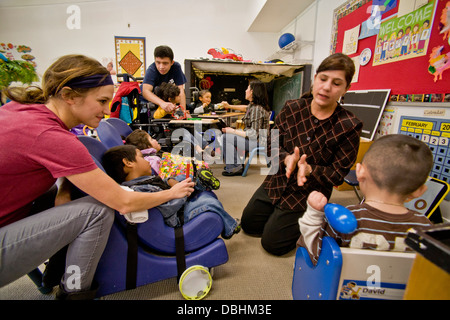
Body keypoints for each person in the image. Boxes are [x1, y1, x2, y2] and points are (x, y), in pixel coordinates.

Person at [0, 54, 194, 299]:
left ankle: (54, 273)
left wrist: (64, 190)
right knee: (97, 210)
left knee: (60, 195)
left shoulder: (24, 110)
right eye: (102, 101)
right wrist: (172, 192)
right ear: (69, 96)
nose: (107, 110)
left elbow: (43, 158)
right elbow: (122, 202)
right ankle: (75, 293)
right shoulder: (53, 136)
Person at [241, 53, 363, 256]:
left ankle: (315, 218)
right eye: (323, 79)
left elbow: (338, 173)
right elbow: (270, 143)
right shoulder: (291, 108)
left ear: (345, 89)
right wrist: (286, 158)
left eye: (336, 83)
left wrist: (309, 169)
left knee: (273, 245)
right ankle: (278, 215)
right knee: (249, 225)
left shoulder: (349, 125)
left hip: (306, 193)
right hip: (276, 182)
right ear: (314, 79)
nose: (326, 87)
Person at [297, 134, 434, 265]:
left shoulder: (345, 218)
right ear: (420, 191)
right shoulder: (426, 228)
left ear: (359, 172)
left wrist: (313, 215)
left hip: (344, 288)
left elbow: (315, 255)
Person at [101, 144, 241, 239]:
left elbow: (161, 184)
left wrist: (170, 182)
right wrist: (181, 193)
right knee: (208, 202)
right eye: (141, 157)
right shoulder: (138, 190)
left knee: (179, 178)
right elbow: (166, 209)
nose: (147, 160)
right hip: (175, 217)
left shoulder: (144, 180)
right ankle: (230, 228)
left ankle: (197, 181)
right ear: (128, 163)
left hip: (173, 199)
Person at [125, 129, 220, 190]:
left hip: (173, 170)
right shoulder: (151, 160)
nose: (155, 139)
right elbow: (161, 176)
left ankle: (202, 156)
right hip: (173, 177)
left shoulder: (151, 157)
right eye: (151, 139)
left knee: (187, 133)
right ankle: (200, 177)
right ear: (146, 146)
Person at [220, 80, 271, 176]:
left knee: (226, 138)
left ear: (252, 91)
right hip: (254, 140)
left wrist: (233, 131)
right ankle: (234, 164)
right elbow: (245, 108)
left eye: (247, 88)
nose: (245, 90)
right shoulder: (253, 106)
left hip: (257, 142)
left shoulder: (257, 109)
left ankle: (235, 167)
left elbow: (253, 134)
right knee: (227, 135)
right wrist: (229, 106)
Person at [141, 45, 187, 114]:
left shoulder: (176, 67)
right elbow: (145, 91)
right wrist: (162, 103)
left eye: (165, 63)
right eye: (158, 62)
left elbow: (181, 90)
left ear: (172, 62)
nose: (161, 67)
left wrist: (183, 112)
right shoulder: (152, 70)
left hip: (164, 102)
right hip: (147, 103)